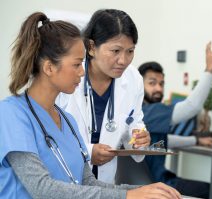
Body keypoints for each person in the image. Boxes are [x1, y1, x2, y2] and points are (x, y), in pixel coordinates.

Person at [0, 12, 182, 199]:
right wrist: (128, 196)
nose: (82, 72)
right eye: (78, 64)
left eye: (130, 51)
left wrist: (143, 191)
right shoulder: (11, 113)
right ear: (49, 68)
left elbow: (88, 183)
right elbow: (43, 188)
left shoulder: (67, 121)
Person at [56, 9, 151, 184]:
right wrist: (89, 151)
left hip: (104, 183)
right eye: (115, 51)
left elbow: (134, 120)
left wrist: (139, 137)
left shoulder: (133, 79)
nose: (123, 60)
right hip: (64, 181)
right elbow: (50, 134)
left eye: (130, 51)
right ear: (91, 47)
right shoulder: (67, 75)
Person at [138, 42, 212, 198]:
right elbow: (192, 107)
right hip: (158, 185)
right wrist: (209, 70)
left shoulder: (143, 113)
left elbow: (162, 140)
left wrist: (195, 140)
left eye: (161, 84)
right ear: (138, 86)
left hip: (157, 181)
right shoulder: (149, 111)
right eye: (152, 83)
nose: (159, 89)